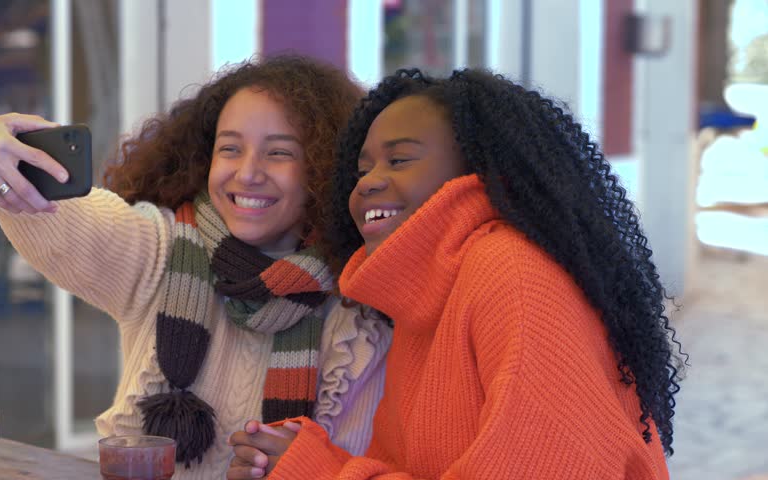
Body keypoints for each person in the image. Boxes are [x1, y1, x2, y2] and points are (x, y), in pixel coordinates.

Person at [0, 55, 392, 479]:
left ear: (324, 167)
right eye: (230, 149)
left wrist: (310, 464)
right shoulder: (160, 248)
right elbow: (53, 212)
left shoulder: (363, 302)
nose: (247, 173)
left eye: (279, 153)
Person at [227, 68, 685, 479]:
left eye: (399, 160)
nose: (367, 182)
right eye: (362, 169)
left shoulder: (510, 273)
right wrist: (299, 462)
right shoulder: (423, 294)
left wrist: (316, 472)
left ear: (481, 169)